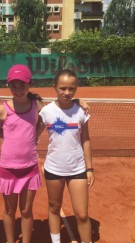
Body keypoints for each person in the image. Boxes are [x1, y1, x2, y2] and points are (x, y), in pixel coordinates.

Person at [0, 64, 44, 243]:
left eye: (22, 85)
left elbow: (46, 119)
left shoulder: (37, 105)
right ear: (9, 86)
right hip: (8, 169)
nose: (18, 90)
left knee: (26, 211)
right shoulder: (1, 110)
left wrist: (35, 135)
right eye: (14, 86)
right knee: (10, 211)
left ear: (29, 84)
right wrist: (9, 137)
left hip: (30, 168)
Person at [39, 69, 95, 243]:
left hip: (77, 168)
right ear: (54, 87)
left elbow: (85, 140)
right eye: (62, 88)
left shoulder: (81, 111)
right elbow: (31, 135)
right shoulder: (46, 111)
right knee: (54, 207)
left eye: (71, 88)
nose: (67, 92)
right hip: (54, 168)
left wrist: (89, 168)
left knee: (82, 214)